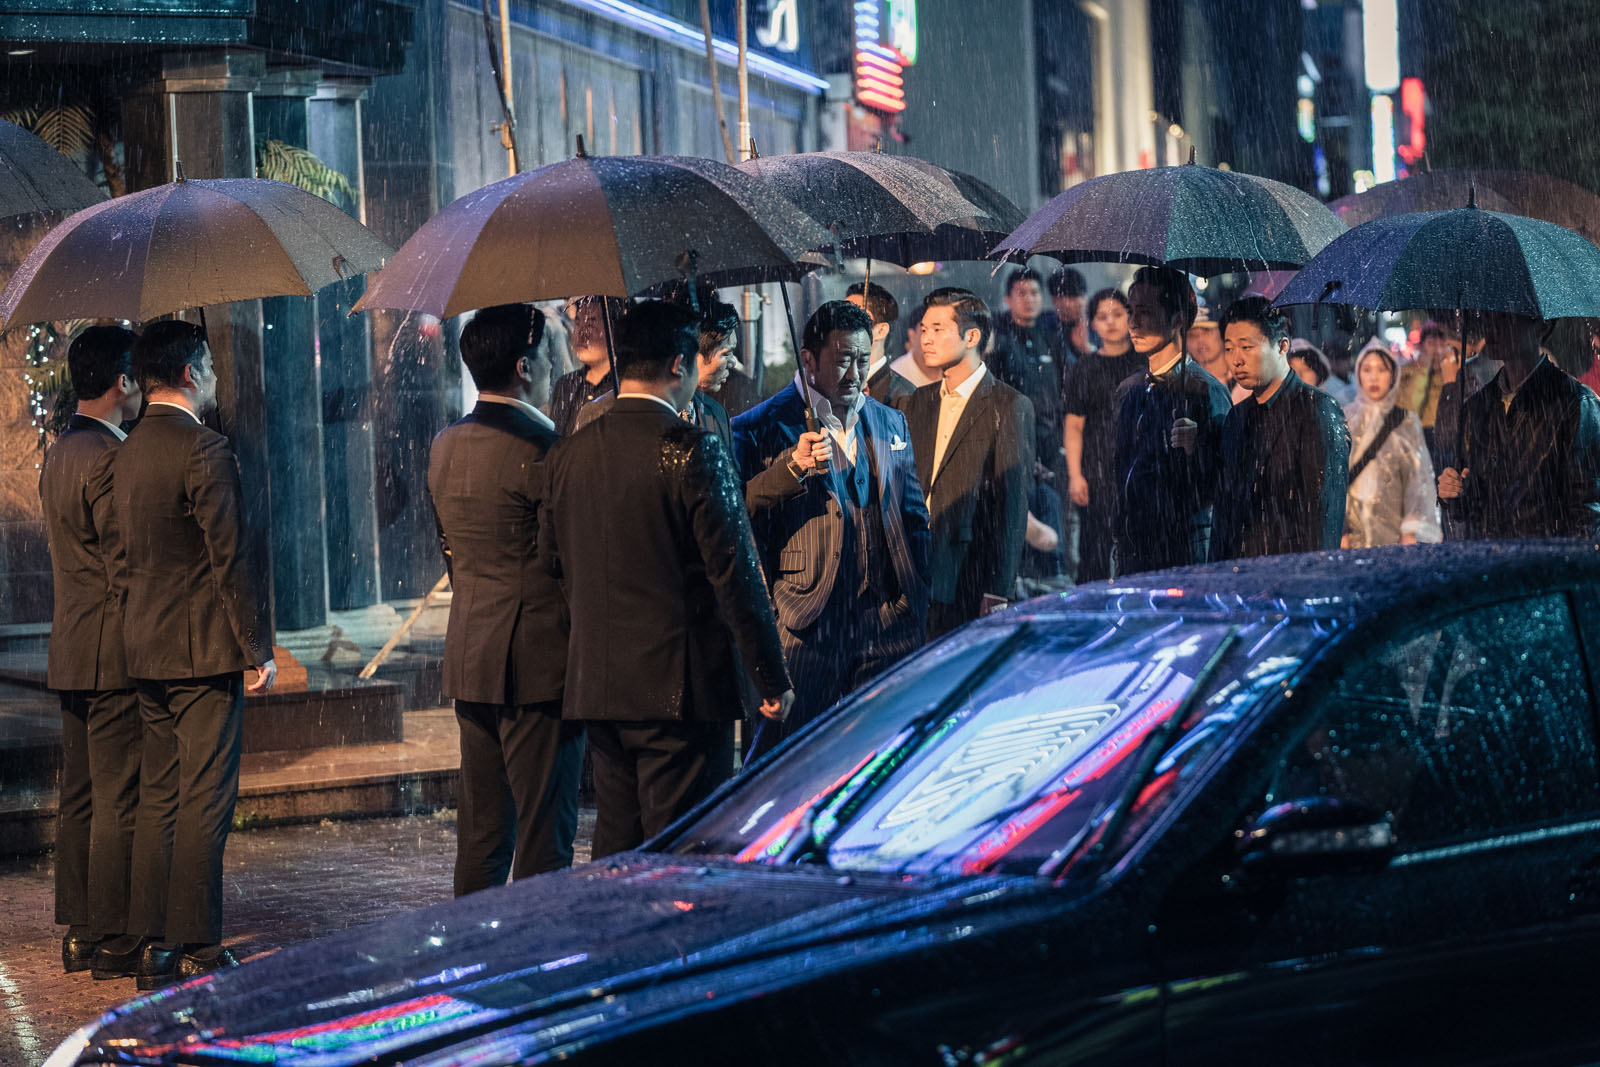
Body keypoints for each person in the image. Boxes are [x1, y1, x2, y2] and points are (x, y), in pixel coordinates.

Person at [543, 301, 793, 856]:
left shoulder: (568, 454)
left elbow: (551, 560)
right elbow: (735, 572)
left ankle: (617, 917)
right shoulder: (694, 449)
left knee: (618, 841)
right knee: (681, 846)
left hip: (598, 685)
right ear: (679, 364)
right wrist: (770, 676)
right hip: (682, 689)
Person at [111, 321, 275, 989]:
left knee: (159, 795)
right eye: (207, 363)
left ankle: (154, 943)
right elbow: (229, 558)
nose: (212, 376)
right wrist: (255, 647)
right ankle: (199, 946)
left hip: (145, 647)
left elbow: (121, 559)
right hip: (202, 650)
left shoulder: (124, 451)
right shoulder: (204, 448)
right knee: (206, 798)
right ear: (188, 372)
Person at [427, 304, 582, 897]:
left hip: (472, 656)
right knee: (545, 834)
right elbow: (564, 563)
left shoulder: (445, 445)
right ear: (524, 367)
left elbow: (452, 552)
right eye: (549, 353)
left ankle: (474, 945)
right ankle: (535, 948)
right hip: (539, 668)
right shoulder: (547, 449)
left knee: (483, 834)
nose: (557, 365)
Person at [733, 300, 929, 757]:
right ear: (809, 359)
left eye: (863, 359)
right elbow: (739, 516)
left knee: (877, 758)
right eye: (843, 360)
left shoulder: (889, 420)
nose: (855, 373)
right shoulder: (758, 427)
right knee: (784, 759)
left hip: (885, 623)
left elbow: (914, 517)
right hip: (803, 624)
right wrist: (792, 469)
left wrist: (913, 595)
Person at [38, 326, 142, 977]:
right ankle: (114, 933)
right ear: (121, 381)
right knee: (117, 794)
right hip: (111, 651)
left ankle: (79, 931)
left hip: (71, 646)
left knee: (79, 794)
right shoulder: (109, 455)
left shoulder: (58, 452)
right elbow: (122, 560)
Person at [898, 288, 1033, 638]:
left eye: (938, 329)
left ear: (971, 337)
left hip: (968, 570)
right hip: (913, 567)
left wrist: (999, 588)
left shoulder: (1008, 404)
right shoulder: (918, 401)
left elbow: (1013, 506)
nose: (926, 339)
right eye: (923, 330)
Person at [1112, 266, 1233, 574]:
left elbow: (1225, 481)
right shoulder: (1130, 389)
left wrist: (1196, 448)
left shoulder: (1206, 390)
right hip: (1134, 548)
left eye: (1145, 312)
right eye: (1131, 311)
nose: (1133, 323)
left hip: (1183, 551)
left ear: (1178, 319)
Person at [1437, 311, 1600, 540]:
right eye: (1488, 317)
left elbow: (1587, 513)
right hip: (1487, 558)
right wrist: (1453, 493)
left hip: (1544, 559)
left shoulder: (1576, 403)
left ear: (1542, 326)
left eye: (1505, 318)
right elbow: (1472, 509)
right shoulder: (1477, 408)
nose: (1491, 327)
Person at [1212, 297, 1350, 560]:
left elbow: (1323, 518)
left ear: (1282, 346)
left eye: (1246, 347)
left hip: (1289, 572)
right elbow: (1224, 512)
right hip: (1238, 573)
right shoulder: (1236, 417)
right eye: (1229, 348)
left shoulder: (1317, 410)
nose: (1236, 359)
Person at [989, 267, 1072, 586]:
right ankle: (1025, 578)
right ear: (1008, 299)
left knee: (1055, 507)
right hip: (1015, 444)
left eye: (1035, 292)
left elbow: (1064, 392)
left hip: (1051, 446)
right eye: (1021, 293)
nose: (1029, 299)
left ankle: (1056, 574)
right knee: (1023, 510)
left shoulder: (1052, 338)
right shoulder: (999, 340)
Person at [1064, 289, 1143, 583]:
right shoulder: (1084, 368)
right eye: (1102, 316)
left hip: (1138, 467)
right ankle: (1089, 606)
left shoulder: (1145, 363)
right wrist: (1075, 475)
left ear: (1131, 317)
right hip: (1097, 470)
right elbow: (1074, 426)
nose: (1110, 322)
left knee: (1137, 550)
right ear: (1093, 324)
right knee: (1094, 551)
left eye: (1118, 314)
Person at [1341, 338, 1442, 548]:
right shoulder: (1344, 419)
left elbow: (1419, 480)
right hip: (1350, 535)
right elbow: (1334, 479)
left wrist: (1412, 528)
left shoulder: (1405, 422)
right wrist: (1339, 530)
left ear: (1393, 375)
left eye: (1382, 369)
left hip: (1393, 533)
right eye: (1367, 369)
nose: (1374, 377)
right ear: (1358, 373)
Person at [548, 296, 624, 435]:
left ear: (614, 329)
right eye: (578, 323)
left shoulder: (623, 386)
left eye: (590, 325)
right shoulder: (565, 384)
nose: (581, 334)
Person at [847, 280, 915, 404]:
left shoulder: (903, 395)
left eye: (855, 317)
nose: (843, 324)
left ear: (881, 331)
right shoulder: (831, 386)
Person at [686, 299, 741, 447]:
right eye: (726, 353)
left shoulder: (718, 415)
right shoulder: (647, 416)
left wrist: (795, 459)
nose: (732, 363)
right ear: (694, 354)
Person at [889, 302, 940, 389]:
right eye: (924, 330)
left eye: (937, 330)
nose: (929, 339)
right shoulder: (897, 375)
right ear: (912, 335)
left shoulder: (951, 367)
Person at [1049, 266, 1092, 358]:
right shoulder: (1048, 330)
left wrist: (1087, 350)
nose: (1080, 302)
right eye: (1072, 297)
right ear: (1055, 301)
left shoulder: (1096, 325)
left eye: (1082, 295)